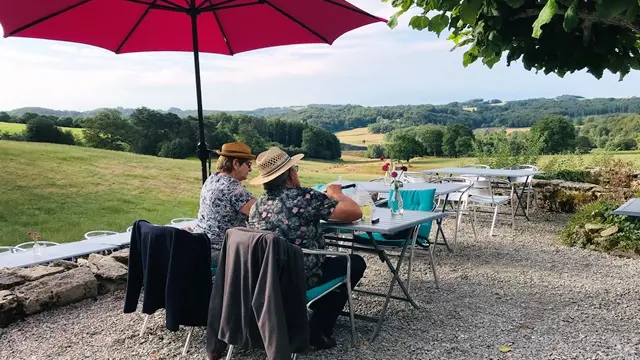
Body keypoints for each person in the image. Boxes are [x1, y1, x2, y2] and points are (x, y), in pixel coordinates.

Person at [247, 147, 366, 350]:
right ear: (292, 175)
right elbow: (355, 212)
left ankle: (311, 311)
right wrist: (336, 193)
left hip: (265, 279)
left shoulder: (258, 205)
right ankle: (318, 328)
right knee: (354, 262)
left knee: (331, 262)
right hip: (299, 278)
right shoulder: (306, 198)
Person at [192, 142, 256, 266]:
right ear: (236, 163)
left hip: (200, 245)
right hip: (219, 251)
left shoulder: (212, 179)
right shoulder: (233, 189)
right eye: (248, 164)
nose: (250, 169)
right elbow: (261, 213)